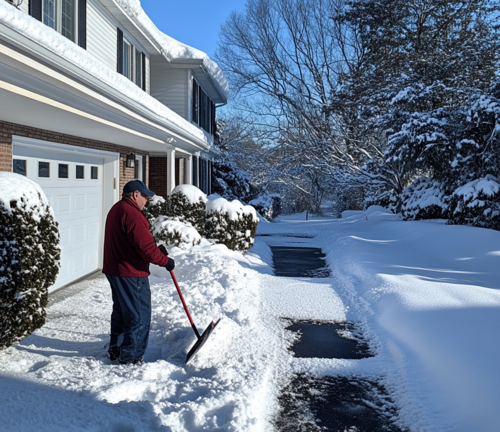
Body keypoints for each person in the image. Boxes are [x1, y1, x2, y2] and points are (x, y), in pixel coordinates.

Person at [103, 180, 175, 365]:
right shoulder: (133, 214)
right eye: (145, 197)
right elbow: (146, 249)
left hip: (115, 270)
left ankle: (116, 348)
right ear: (135, 194)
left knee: (121, 311)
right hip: (131, 273)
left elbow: (135, 243)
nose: (146, 201)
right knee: (138, 315)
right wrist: (165, 261)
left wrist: (156, 251)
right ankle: (131, 357)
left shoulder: (117, 209)